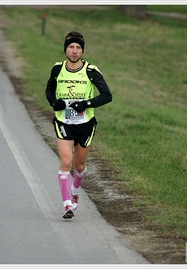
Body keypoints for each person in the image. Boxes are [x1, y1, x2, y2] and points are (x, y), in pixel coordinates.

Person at [45, 31, 113, 219]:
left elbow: (107, 96)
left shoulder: (91, 71)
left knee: (79, 165)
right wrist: (54, 102)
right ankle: (67, 205)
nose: (74, 51)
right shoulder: (57, 69)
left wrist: (86, 104)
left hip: (85, 124)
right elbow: (49, 89)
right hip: (64, 121)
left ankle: (75, 191)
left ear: (82, 50)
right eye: (71, 47)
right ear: (65, 49)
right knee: (66, 161)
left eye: (78, 48)